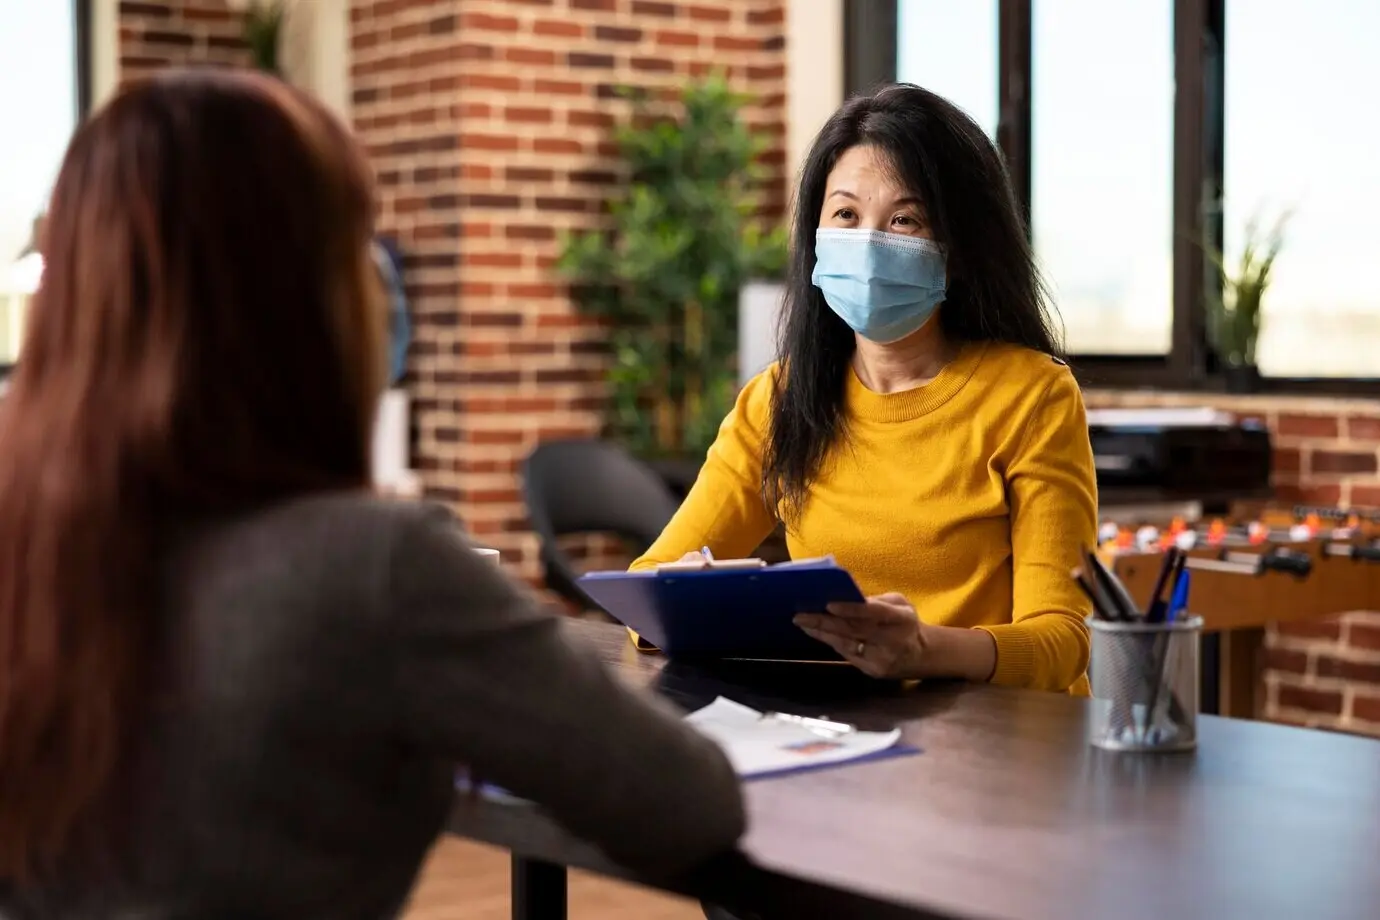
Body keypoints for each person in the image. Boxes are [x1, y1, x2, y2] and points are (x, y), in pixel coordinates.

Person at [0, 70, 743, 918]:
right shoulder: (375, 569)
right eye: (357, 242)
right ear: (288, 301)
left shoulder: (28, 533)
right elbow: (689, 804)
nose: (382, 285)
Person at [633, 83, 1097, 696]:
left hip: (1001, 748)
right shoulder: (777, 399)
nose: (871, 242)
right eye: (846, 215)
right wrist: (684, 598)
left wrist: (924, 650)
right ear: (816, 238)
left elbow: (1061, 641)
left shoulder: (1034, 396)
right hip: (844, 734)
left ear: (956, 250)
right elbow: (646, 585)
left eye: (904, 219)